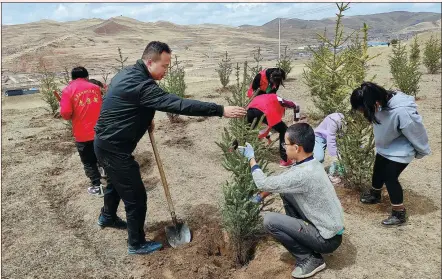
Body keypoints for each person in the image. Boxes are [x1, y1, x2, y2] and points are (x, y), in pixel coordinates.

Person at [93, 41, 246, 255]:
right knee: (135, 196)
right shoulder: (142, 85)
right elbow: (178, 104)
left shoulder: (128, 73)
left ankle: (107, 217)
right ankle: (136, 243)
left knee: (116, 183)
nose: (166, 70)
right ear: (149, 62)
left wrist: (143, 119)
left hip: (105, 142)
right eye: (164, 66)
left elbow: (122, 102)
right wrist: (220, 109)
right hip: (114, 148)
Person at [238, 123, 344, 278]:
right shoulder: (312, 163)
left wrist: (251, 158)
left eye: (285, 144)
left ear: (297, 148)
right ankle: (301, 234)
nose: (284, 147)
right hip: (331, 228)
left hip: (326, 239)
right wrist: (259, 197)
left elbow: (263, 183)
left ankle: (309, 258)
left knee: (270, 221)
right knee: (286, 193)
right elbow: (282, 184)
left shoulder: (302, 174)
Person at [350, 82, 431, 226]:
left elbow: (416, 132)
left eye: (362, 109)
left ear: (373, 102)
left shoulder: (402, 111)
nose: (362, 113)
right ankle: (375, 195)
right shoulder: (379, 102)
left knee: (389, 177)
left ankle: (399, 213)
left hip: (402, 149)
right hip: (387, 146)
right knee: (378, 168)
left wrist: (421, 150)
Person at [60, 67, 105, 197]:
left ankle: (97, 187)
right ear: (86, 76)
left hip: (82, 133)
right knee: (103, 156)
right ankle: (111, 182)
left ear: (72, 78)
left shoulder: (68, 90)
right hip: (100, 130)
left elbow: (66, 113)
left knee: (89, 161)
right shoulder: (95, 88)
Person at [247, 93, 298, 167]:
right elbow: (296, 106)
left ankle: (232, 149)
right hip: (264, 110)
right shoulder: (280, 100)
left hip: (251, 109)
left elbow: (265, 129)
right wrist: (295, 122)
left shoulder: (268, 97)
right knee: (284, 130)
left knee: (245, 132)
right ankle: (286, 160)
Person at [313, 112, 345, 183]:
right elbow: (331, 139)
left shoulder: (351, 124)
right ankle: (313, 173)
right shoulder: (335, 121)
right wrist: (335, 155)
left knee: (342, 157)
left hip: (337, 138)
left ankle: (338, 173)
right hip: (320, 136)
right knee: (319, 157)